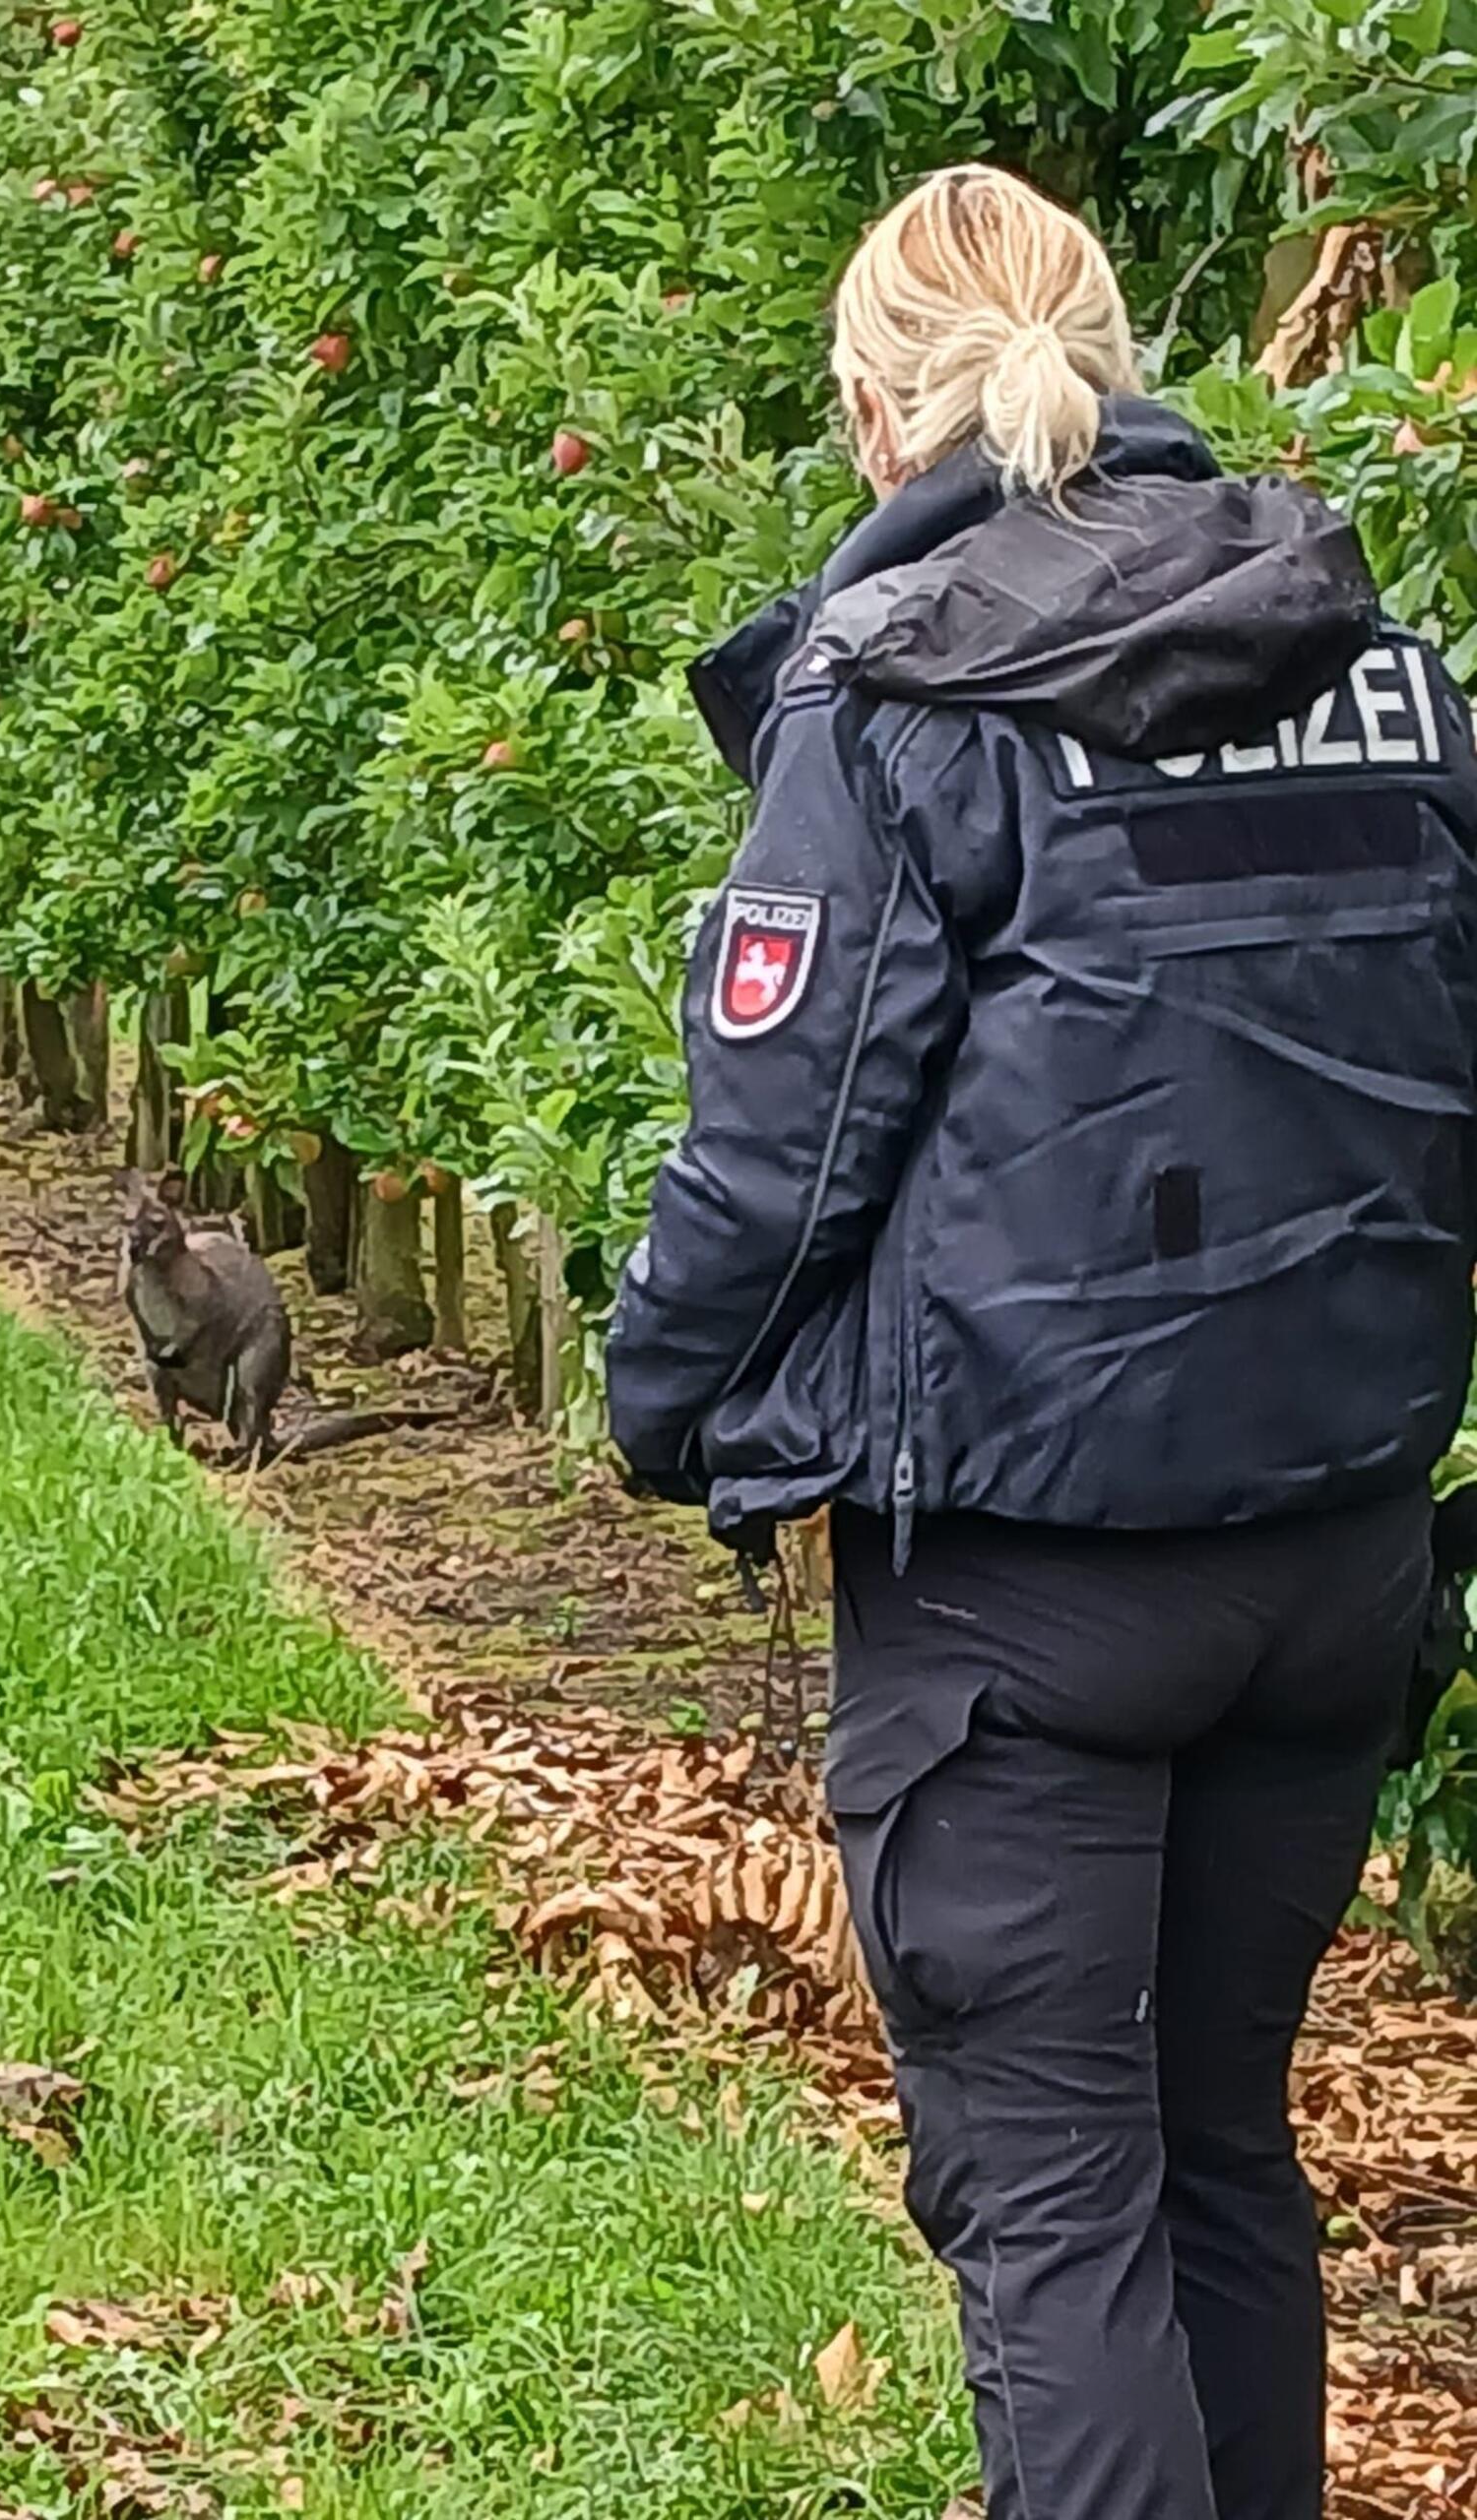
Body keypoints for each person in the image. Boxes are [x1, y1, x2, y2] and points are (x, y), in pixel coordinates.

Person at [607, 163, 1477, 2520]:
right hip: (1333, 1561)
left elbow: (783, 1143)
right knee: (1220, 2159)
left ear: (875, 410)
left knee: (1057, 2211)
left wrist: (666, 1411)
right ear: (1116, 353)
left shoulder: (904, 688)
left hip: (1028, 1594)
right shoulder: (1375, 651)